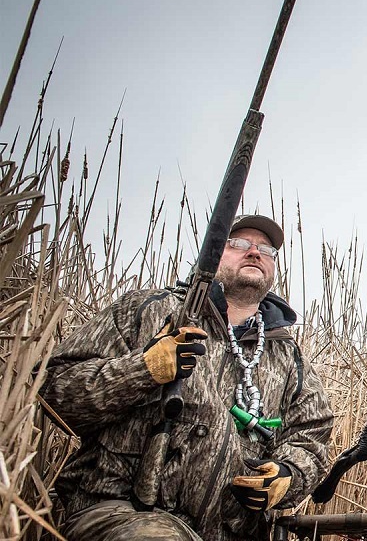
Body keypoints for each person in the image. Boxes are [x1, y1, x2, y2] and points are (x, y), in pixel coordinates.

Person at [42, 214, 335, 541]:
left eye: (266, 250)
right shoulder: (146, 310)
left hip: (231, 532)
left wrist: (288, 476)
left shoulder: (290, 358)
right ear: (210, 255)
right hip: (121, 514)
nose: (254, 252)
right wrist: (142, 370)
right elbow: (56, 391)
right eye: (238, 244)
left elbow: (311, 439)